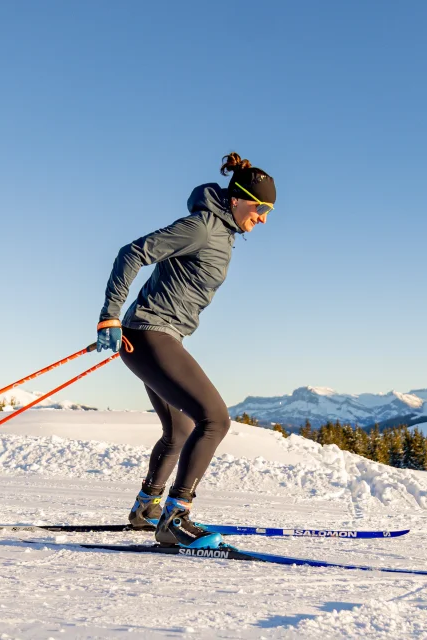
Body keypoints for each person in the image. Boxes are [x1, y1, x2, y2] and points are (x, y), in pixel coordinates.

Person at [96, 152, 276, 549]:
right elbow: (133, 251)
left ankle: (147, 508)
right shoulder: (202, 227)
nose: (263, 218)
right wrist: (110, 315)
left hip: (154, 337)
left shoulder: (222, 233)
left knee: (179, 429)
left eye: (269, 211)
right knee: (215, 420)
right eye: (260, 208)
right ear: (236, 198)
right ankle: (176, 518)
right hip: (149, 335)